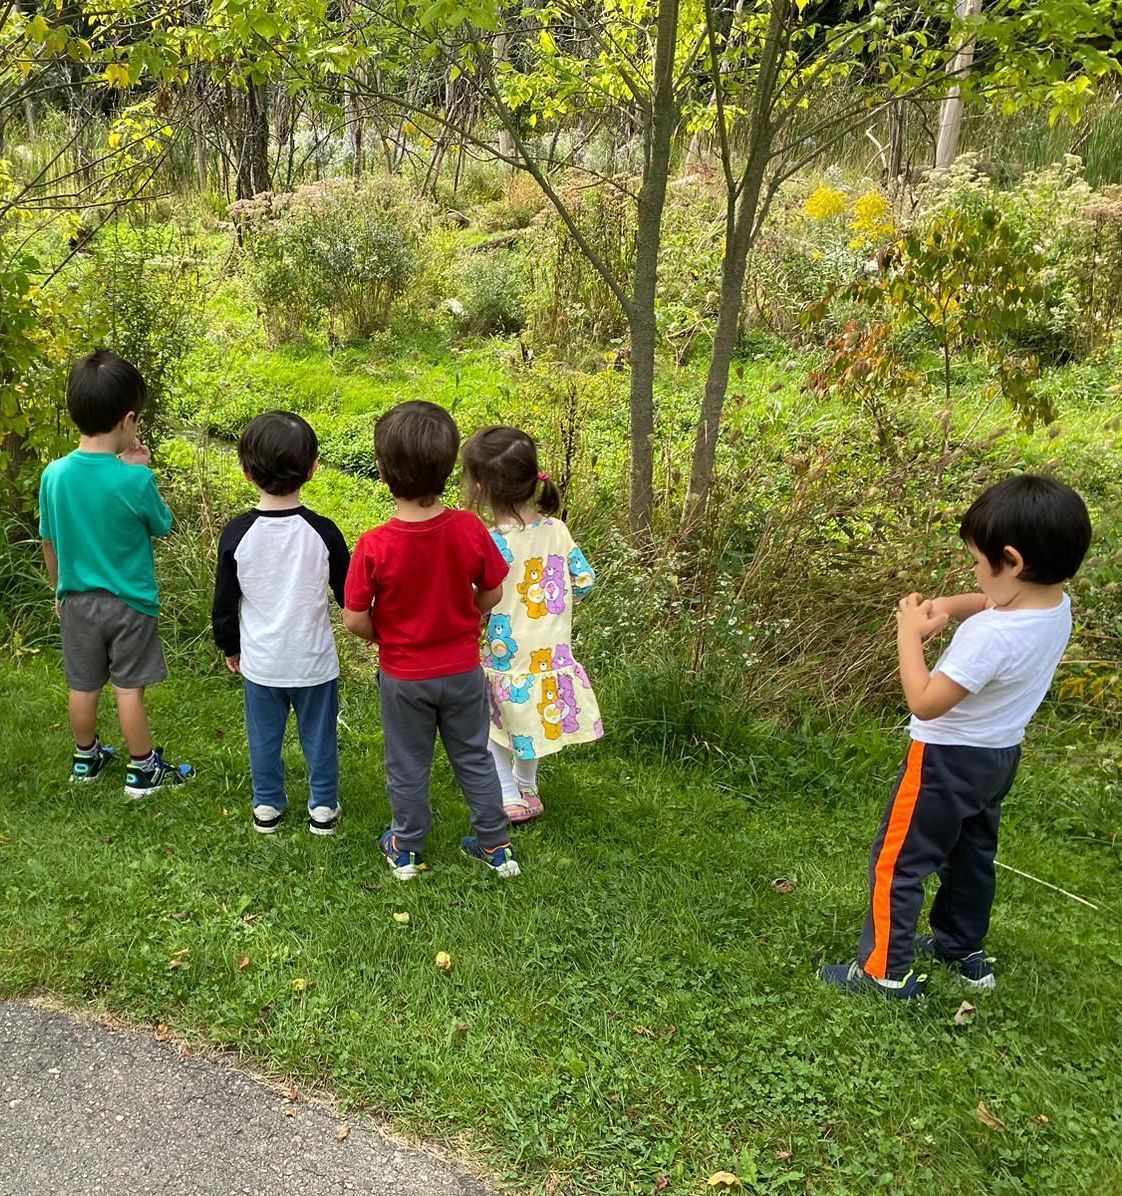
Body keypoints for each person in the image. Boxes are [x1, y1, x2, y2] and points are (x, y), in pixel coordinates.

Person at [821, 475, 1092, 999]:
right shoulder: (1052, 606)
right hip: (997, 760)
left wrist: (908, 633)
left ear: (1012, 561)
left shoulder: (990, 637)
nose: (974, 572)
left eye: (976, 561)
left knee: (898, 862)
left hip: (943, 761)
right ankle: (962, 948)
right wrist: (947, 606)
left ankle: (884, 971)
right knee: (970, 857)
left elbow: (925, 699)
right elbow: (990, 602)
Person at [342, 400, 520, 879]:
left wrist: (390, 636)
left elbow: (354, 619)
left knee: (407, 763)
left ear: (381, 472)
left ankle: (406, 845)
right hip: (462, 670)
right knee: (473, 755)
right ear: (448, 470)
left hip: (404, 676)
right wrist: (472, 616)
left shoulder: (374, 544)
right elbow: (493, 590)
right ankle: (495, 844)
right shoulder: (467, 528)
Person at [38, 348, 193, 795]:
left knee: (82, 684)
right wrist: (141, 471)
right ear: (128, 420)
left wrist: (59, 591)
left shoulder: (54, 475)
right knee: (128, 689)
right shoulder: (134, 478)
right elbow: (162, 525)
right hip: (131, 603)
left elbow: (50, 542)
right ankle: (142, 769)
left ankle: (85, 759)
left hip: (76, 599)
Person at [212, 412, 350, 836]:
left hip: (262, 663)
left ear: (246, 470)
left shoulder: (237, 534)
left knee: (264, 738)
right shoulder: (324, 532)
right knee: (319, 737)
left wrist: (230, 647)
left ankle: (267, 805)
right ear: (312, 469)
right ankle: (323, 807)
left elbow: (223, 602)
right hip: (313, 662)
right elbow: (349, 596)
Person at [460, 425, 603, 823]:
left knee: (494, 723)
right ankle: (528, 786)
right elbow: (585, 580)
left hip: (507, 652)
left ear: (483, 488)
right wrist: (556, 603)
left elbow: (478, 596)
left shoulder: (490, 539)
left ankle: (508, 793)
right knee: (536, 716)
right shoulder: (556, 530)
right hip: (551, 649)